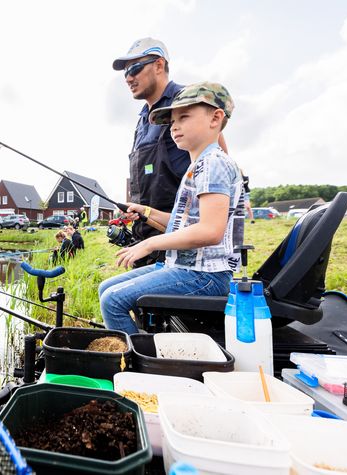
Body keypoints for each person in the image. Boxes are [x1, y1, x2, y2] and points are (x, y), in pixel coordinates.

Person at [98, 82, 244, 335]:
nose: (174, 126)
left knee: (113, 301)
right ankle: (144, 343)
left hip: (204, 275)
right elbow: (182, 224)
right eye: (172, 120)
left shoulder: (213, 164)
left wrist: (149, 244)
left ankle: (140, 363)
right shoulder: (198, 166)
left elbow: (211, 231)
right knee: (106, 289)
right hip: (184, 267)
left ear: (215, 118)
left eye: (184, 117)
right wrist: (145, 211)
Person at [113, 38, 228, 267]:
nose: (128, 77)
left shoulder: (190, 100)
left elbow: (217, 157)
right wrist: (140, 210)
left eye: (135, 68)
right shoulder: (142, 119)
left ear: (158, 65)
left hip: (183, 241)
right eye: (125, 72)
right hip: (147, 235)